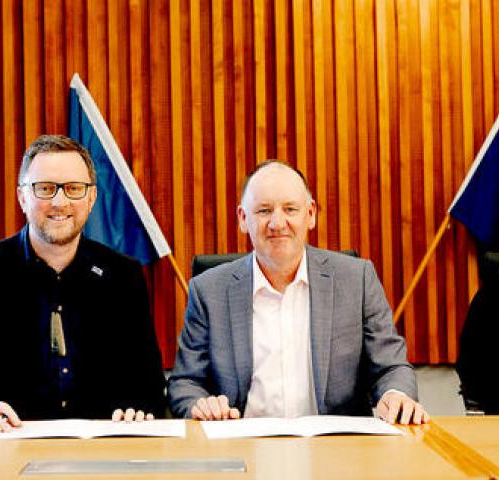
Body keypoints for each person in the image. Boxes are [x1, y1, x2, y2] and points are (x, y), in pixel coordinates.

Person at [0, 134, 166, 433]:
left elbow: (149, 384)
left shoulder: (124, 276)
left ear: (91, 198)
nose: (59, 201)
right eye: (45, 189)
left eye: (74, 189)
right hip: (2, 450)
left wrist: (137, 412)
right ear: (23, 197)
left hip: (102, 451)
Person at [168, 160, 428, 425]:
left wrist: (396, 395)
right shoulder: (208, 290)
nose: (277, 223)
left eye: (290, 209)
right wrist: (201, 405)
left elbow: (391, 367)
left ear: (311, 214)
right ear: (243, 219)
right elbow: (185, 383)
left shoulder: (356, 280)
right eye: (264, 210)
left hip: (336, 452)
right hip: (244, 448)